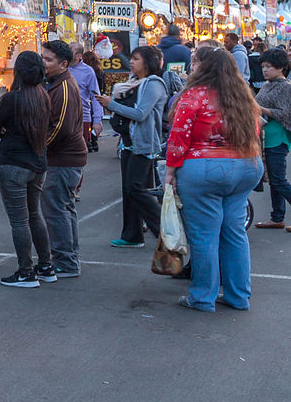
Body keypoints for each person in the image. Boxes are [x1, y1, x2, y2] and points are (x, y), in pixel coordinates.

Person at [165, 48, 264, 311]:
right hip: (246, 166)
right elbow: (255, 131)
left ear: (202, 68)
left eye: (194, 63)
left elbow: (178, 136)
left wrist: (170, 171)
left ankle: (202, 296)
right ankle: (238, 296)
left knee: (204, 236)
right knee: (235, 233)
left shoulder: (193, 96)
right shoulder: (243, 97)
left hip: (203, 168)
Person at [0, 52, 52, 288]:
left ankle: (26, 271)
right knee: (35, 215)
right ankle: (46, 265)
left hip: (14, 164)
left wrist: (7, 132)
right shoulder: (43, 96)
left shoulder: (12, 99)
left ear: (19, 72)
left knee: (20, 221)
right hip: (38, 163)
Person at [96, 46, 168, 248]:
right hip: (128, 143)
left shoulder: (154, 84)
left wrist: (111, 104)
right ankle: (131, 234)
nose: (132, 62)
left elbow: (140, 114)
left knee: (136, 188)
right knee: (129, 189)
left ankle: (165, 230)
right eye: (132, 58)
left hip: (143, 143)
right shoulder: (133, 83)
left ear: (148, 62)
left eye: (136, 58)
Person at [41, 41, 88, 279]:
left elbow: (61, 128)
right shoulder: (56, 84)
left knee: (57, 210)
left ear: (64, 63)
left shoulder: (65, 88)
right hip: (64, 159)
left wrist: (40, 148)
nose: (43, 63)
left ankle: (65, 262)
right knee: (63, 209)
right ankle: (67, 258)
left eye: (48, 60)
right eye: (43, 58)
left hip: (62, 160)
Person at [254, 47, 291, 229]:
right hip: (265, 137)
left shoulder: (285, 87)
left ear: (280, 67)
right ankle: (277, 217)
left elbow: (286, 113)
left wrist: (262, 110)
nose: (265, 70)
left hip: (277, 137)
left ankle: (277, 216)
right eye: (263, 66)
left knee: (278, 180)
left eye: (269, 66)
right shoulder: (267, 85)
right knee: (275, 181)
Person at [69, 43, 103, 155]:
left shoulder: (88, 71)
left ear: (78, 56)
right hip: (63, 117)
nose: (67, 52)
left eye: (70, 50)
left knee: (79, 155)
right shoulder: (61, 67)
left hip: (83, 117)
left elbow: (95, 96)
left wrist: (97, 120)